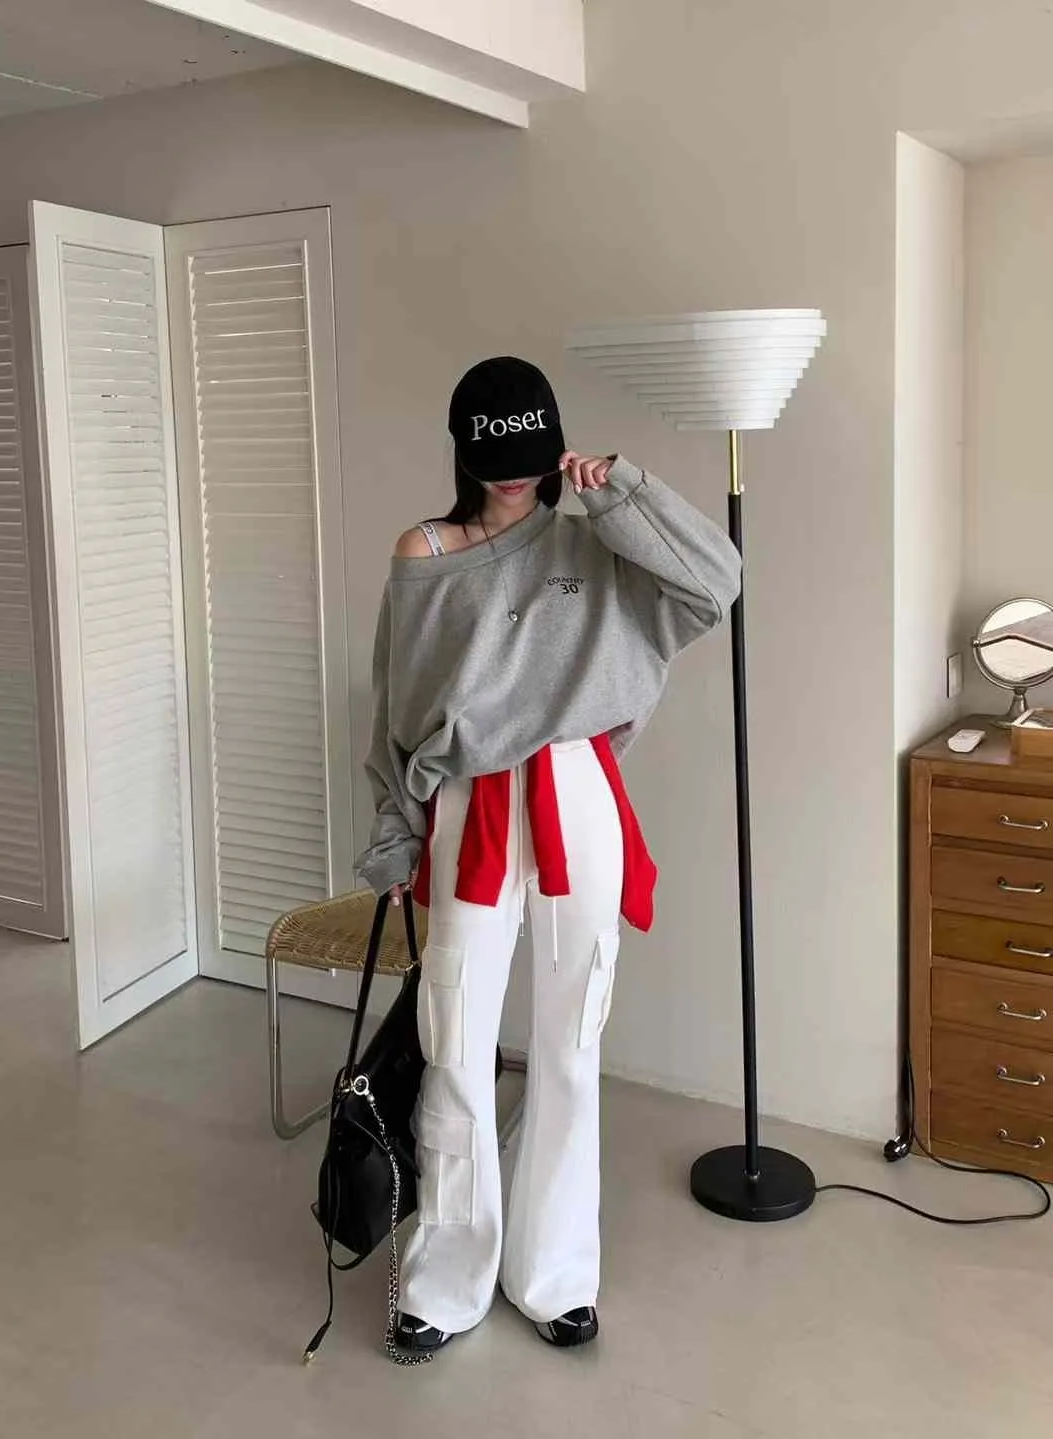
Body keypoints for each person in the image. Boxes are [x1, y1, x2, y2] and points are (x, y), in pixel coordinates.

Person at [357, 356, 741, 1356]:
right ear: (463, 451)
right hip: (471, 804)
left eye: (531, 453)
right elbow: (397, 706)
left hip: (575, 793)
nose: (514, 475)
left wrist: (622, 492)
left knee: (572, 1044)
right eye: (496, 456)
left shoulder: (594, 541)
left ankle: (556, 1272)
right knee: (455, 1038)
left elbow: (716, 580)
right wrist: (397, 830)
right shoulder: (425, 550)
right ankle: (445, 1278)